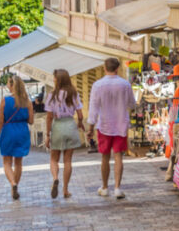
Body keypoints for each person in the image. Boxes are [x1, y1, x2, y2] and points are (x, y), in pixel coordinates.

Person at [87, 57, 136, 199]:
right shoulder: (125, 84)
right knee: (119, 156)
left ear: (105, 68)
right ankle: (117, 188)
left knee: (105, 157)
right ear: (117, 68)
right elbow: (132, 104)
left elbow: (93, 108)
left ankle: (104, 187)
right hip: (121, 124)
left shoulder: (97, 85)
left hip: (104, 125)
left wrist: (90, 127)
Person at [45, 69, 85, 199]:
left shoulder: (51, 95)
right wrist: (80, 123)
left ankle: (56, 178)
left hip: (57, 126)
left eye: (54, 78)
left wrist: (47, 135)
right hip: (70, 126)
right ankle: (65, 190)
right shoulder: (74, 94)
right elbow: (80, 114)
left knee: (53, 159)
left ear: (58, 80)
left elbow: (49, 117)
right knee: (68, 161)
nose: (53, 80)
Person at [0, 76, 33, 201]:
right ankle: (15, 187)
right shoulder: (27, 101)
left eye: (7, 84)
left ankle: (13, 183)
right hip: (22, 131)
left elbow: (0, 121)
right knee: (18, 163)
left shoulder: (5, 101)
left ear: (11, 86)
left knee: (6, 162)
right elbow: (31, 121)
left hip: (8, 132)